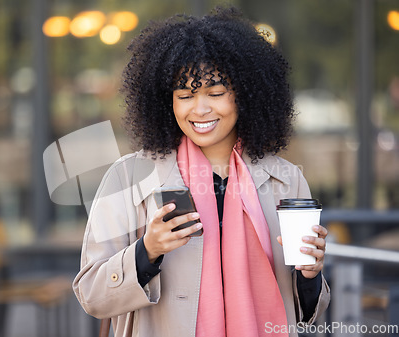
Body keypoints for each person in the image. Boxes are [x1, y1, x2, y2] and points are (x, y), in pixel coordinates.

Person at [73, 6, 330, 337]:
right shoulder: (128, 177)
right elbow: (91, 295)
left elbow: (307, 313)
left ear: (245, 94)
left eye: (216, 93)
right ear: (169, 102)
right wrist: (146, 250)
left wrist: (309, 276)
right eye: (186, 95)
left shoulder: (286, 180)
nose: (201, 109)